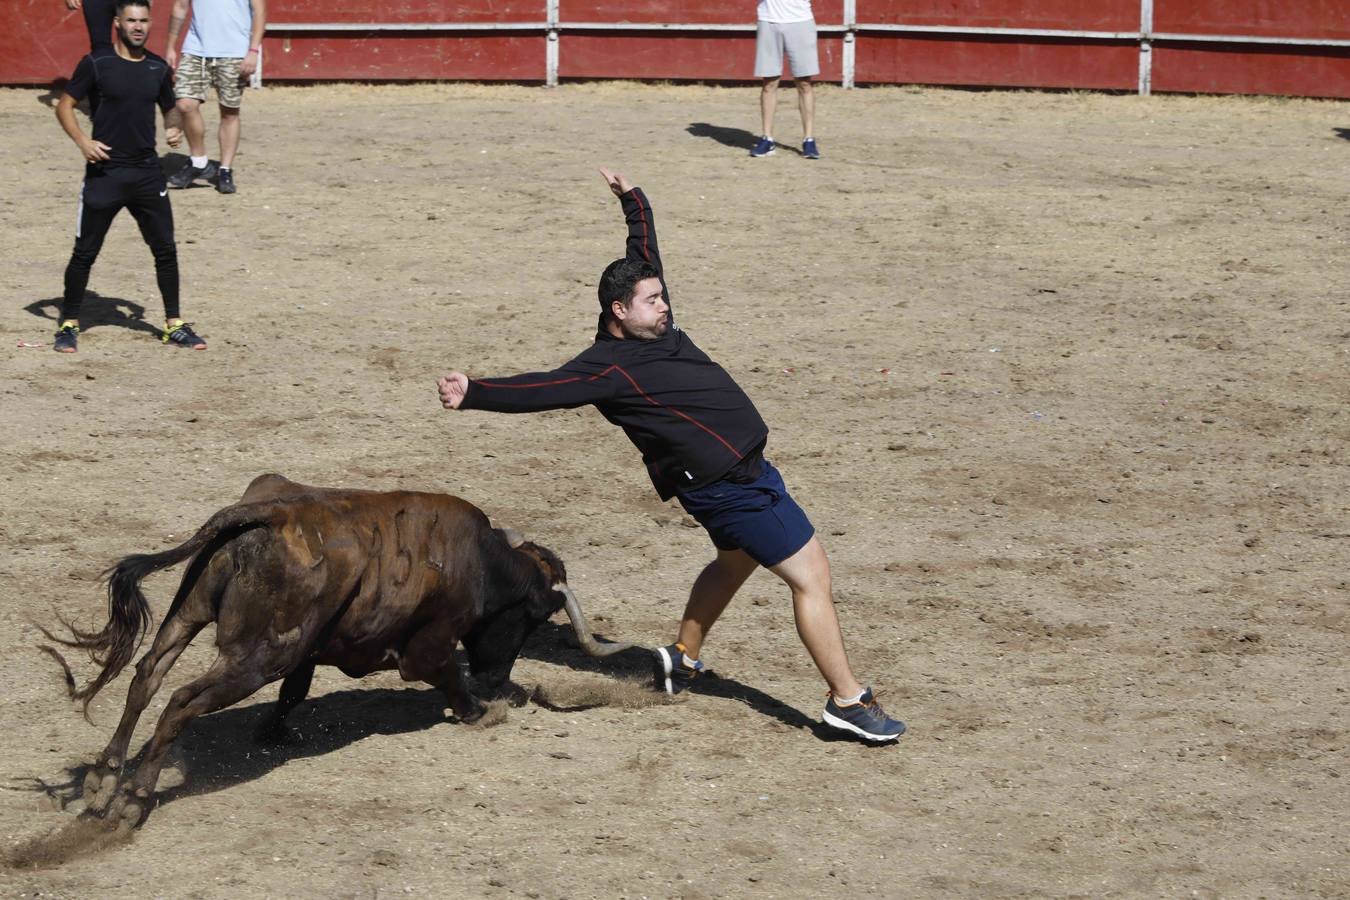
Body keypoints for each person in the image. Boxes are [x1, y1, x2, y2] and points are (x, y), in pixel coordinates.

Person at [435, 170, 904, 743]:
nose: (664, 306)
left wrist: (634, 204)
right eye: (651, 301)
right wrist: (476, 392)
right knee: (812, 580)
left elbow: (644, 252)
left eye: (663, 297)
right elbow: (543, 390)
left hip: (743, 476)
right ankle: (847, 701)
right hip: (732, 487)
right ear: (618, 311)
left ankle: (681, 658)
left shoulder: (654, 327)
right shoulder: (607, 368)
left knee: (732, 563)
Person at [54, 0, 207, 353]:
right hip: (105, 173)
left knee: (165, 249)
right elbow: (65, 106)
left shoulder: (156, 67)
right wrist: (83, 141)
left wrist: (173, 129)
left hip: (146, 174)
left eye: (143, 21)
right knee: (85, 252)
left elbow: (169, 107)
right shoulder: (96, 63)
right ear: (118, 24)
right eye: (131, 20)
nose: (137, 26)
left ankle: (174, 325)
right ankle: (68, 323)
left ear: (150, 24)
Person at [163, 0, 266, 194]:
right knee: (185, 104)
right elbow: (180, 6)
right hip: (196, 49)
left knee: (229, 112)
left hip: (234, 51)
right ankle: (199, 161)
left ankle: (225, 170)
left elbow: (259, 11)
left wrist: (253, 50)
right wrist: (170, 45)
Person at [751, 0, 819, 159]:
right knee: (769, 82)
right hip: (769, 20)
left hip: (800, 20)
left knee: (804, 83)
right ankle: (767, 138)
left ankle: (809, 140)